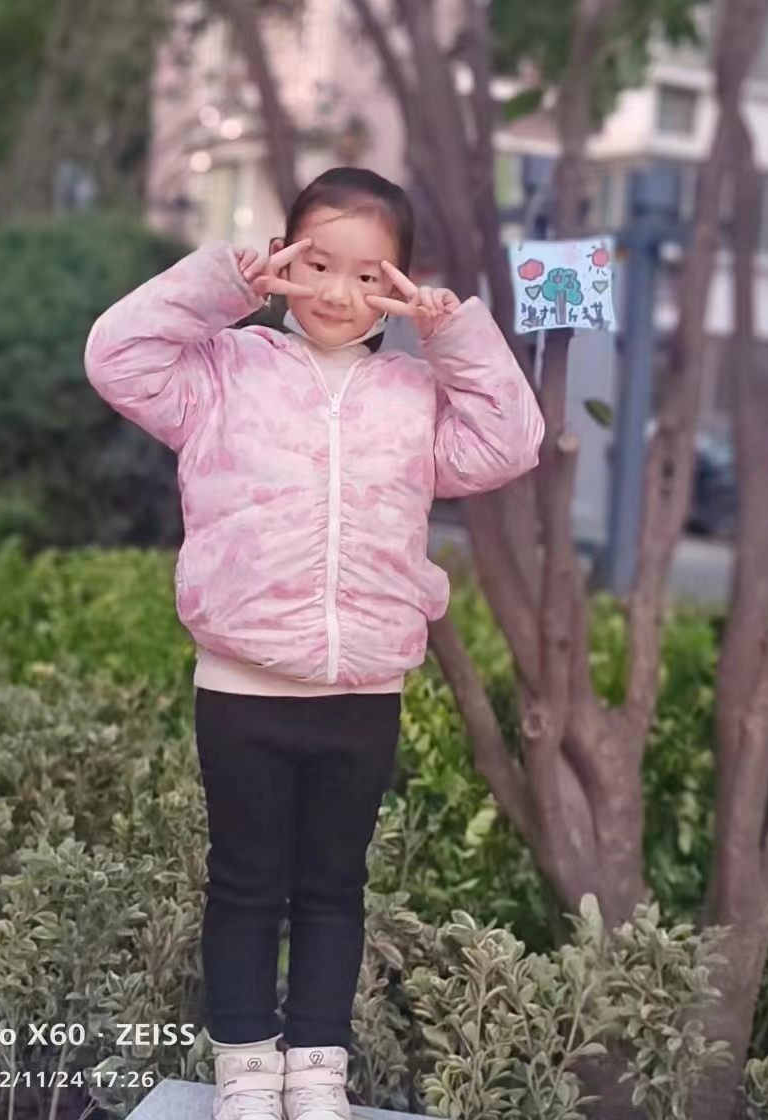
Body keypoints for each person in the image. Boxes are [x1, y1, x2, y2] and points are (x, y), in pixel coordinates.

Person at [83, 167, 545, 1120]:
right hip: (242, 689)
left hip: (362, 694)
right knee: (247, 887)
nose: (339, 292)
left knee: (335, 890)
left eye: (370, 276)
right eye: (318, 264)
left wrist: (452, 334)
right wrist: (226, 285)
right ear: (282, 258)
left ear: (400, 284)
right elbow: (116, 355)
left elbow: (511, 443)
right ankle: (247, 1075)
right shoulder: (221, 372)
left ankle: (317, 1075)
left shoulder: (415, 396)